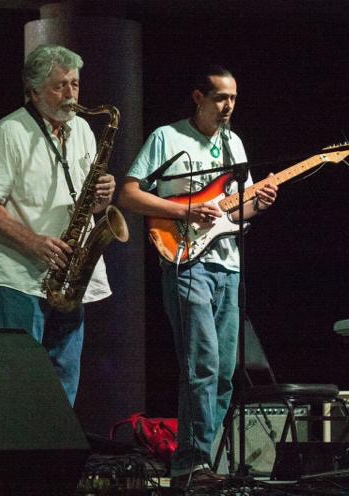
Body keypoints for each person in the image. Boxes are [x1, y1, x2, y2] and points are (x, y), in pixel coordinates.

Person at [117, 65, 278, 488]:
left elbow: (234, 211)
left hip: (228, 264)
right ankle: (190, 464)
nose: (228, 106)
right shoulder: (167, 138)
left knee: (223, 371)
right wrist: (184, 210)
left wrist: (260, 201)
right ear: (198, 98)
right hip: (185, 261)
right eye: (221, 98)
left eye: (233, 98)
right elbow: (129, 193)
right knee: (201, 364)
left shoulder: (234, 144)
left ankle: (204, 461)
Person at [0, 44, 115, 405]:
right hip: (18, 279)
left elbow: (86, 200)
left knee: (63, 383)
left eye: (75, 84)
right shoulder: (8, 133)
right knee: (13, 385)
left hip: (69, 278)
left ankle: (58, 444)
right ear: (33, 91)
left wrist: (102, 197)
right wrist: (33, 242)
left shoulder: (82, 129)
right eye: (59, 86)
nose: (71, 94)